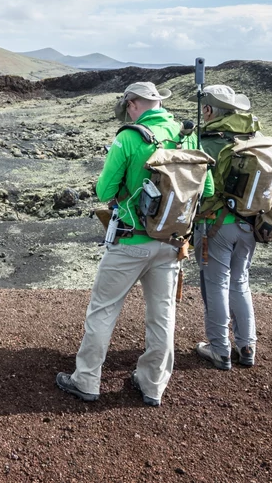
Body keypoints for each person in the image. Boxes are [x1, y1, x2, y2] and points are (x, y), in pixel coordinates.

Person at [56, 82, 210, 407]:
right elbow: (206, 189)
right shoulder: (186, 136)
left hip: (130, 241)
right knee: (162, 315)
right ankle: (152, 385)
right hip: (171, 243)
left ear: (132, 104)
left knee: (103, 310)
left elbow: (103, 191)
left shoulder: (128, 137)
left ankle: (86, 380)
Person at [193, 84, 261, 370]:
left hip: (216, 226)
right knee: (240, 282)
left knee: (217, 284)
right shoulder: (253, 136)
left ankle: (220, 350)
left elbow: (199, 189)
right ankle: (247, 347)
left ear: (207, 110)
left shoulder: (209, 142)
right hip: (250, 224)